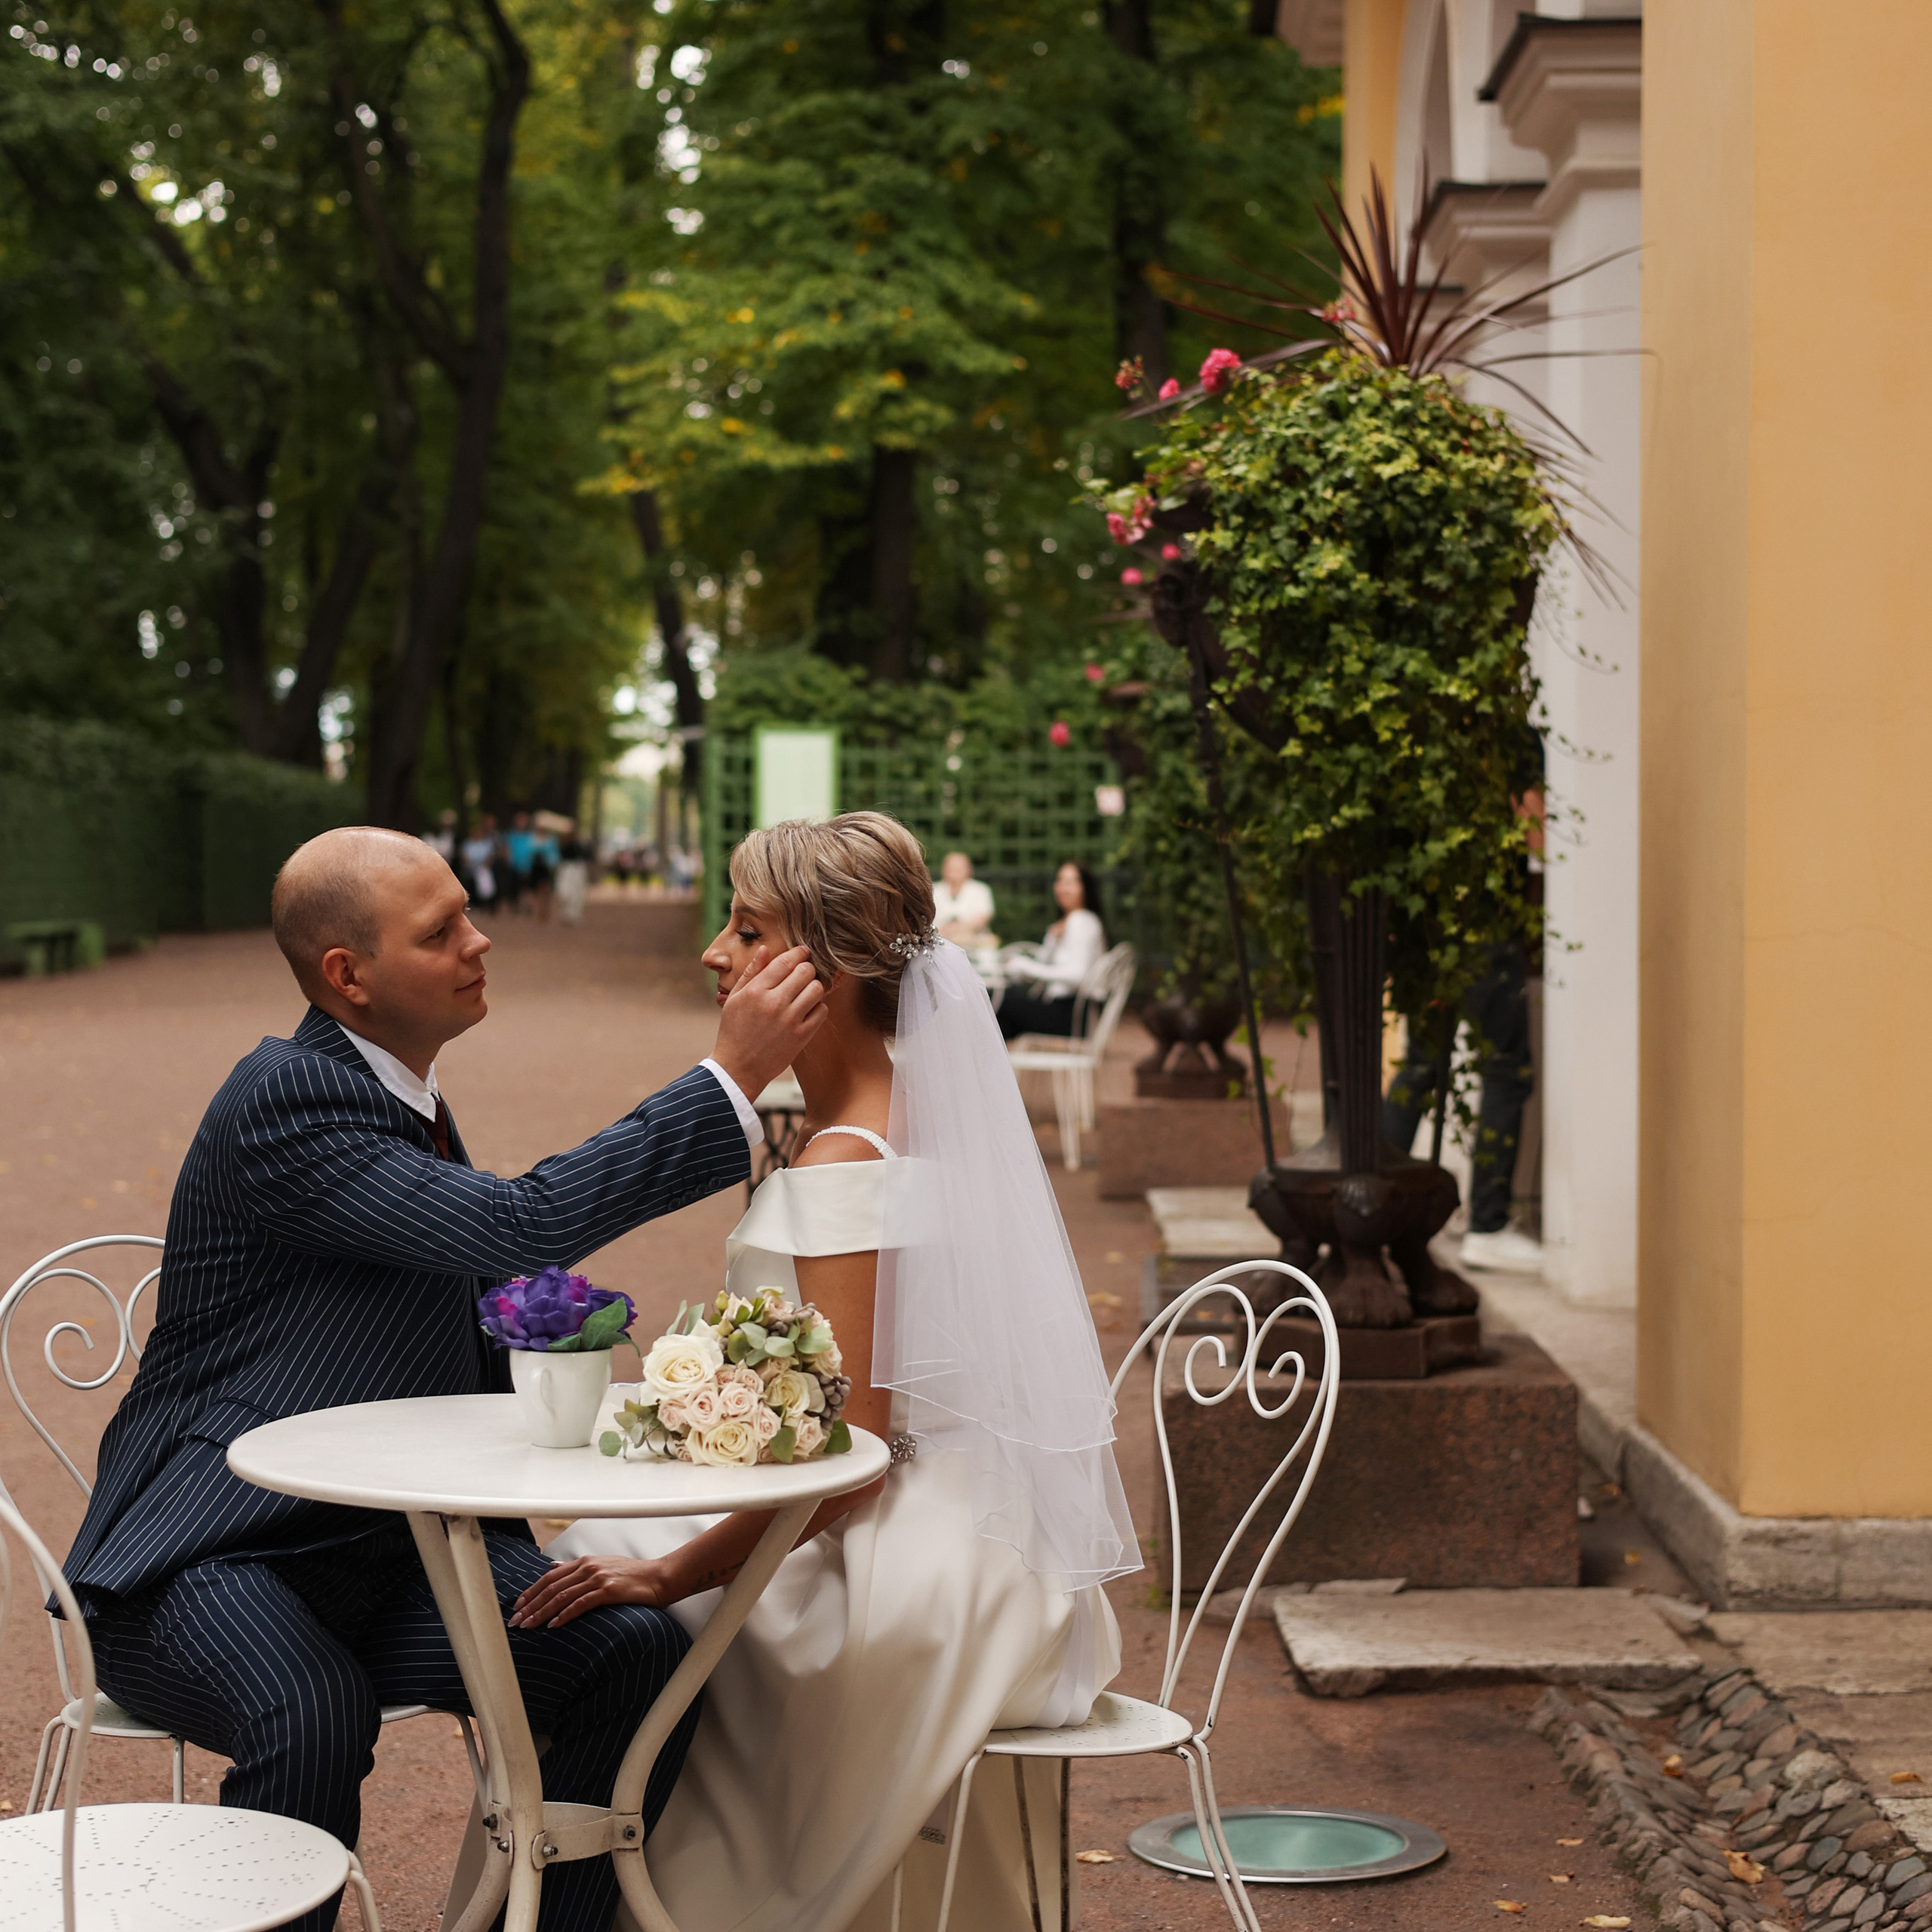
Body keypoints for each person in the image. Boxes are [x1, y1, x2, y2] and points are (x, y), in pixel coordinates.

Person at [60, 826, 827, 1932]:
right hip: (211, 1559)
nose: (480, 941)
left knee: (637, 1655)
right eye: (441, 932)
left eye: (469, 913)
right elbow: (521, 1223)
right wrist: (730, 1078)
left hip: (385, 1554)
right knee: (311, 1710)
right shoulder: (286, 1098)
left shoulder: (410, 1097)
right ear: (348, 977)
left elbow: (480, 1282)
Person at [519, 812, 1136, 1932]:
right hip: (986, 1533)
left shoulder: (849, 1166)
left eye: (747, 929)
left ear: (835, 967)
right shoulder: (910, 1119)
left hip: (903, 1568)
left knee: (605, 1583)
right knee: (602, 1558)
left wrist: (675, 1577)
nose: (716, 952)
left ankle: (606, 1890)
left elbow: (851, 1468)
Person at [1382, 740, 1546, 1275]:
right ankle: (1489, 1224)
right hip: (1485, 927)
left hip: (1423, 928)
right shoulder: (1501, 728)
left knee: (1422, 1066)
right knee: (1506, 1071)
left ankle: (1371, 1205)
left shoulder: (1417, 720)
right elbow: (1536, 834)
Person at [994, 860, 1107, 1041]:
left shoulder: (1080, 921)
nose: (1063, 888)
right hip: (1066, 1011)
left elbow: (1077, 974)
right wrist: (1052, 940)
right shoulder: (1073, 921)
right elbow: (1048, 962)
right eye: (1060, 881)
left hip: (1072, 1015)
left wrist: (1025, 966)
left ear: (1085, 887)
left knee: (999, 999)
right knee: (1003, 1017)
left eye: (1071, 882)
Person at [931, 850, 996, 949]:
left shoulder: (980, 890)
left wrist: (956, 929)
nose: (954, 873)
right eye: (951, 868)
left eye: (958, 869)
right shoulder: (934, 890)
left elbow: (983, 918)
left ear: (969, 870)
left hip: (975, 944)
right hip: (940, 943)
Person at [459, 814, 500, 911]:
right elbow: (464, 858)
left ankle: (486, 904)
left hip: (483, 869)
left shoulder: (486, 844)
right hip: (471, 869)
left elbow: (490, 857)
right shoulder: (467, 844)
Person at [555, 824, 590, 926]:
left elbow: (585, 857)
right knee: (565, 893)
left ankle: (574, 915)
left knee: (577, 894)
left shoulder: (580, 846)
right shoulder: (564, 846)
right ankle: (566, 914)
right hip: (567, 870)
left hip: (577, 870)